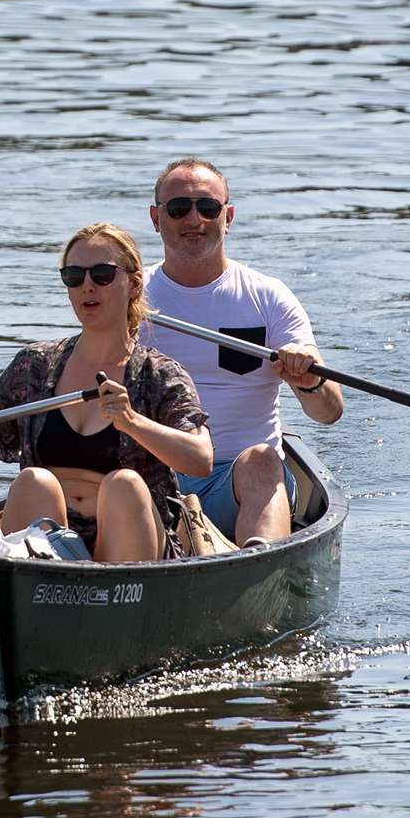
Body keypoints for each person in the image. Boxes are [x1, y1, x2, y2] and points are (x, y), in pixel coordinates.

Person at [0, 222, 212, 562]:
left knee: (124, 484)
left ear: (133, 284)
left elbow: (200, 459)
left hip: (129, 542)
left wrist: (132, 422)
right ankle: (38, 587)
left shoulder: (159, 374)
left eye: (101, 274)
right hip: (47, 545)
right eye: (74, 276)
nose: (87, 286)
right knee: (34, 482)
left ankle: (113, 592)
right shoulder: (35, 366)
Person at [140, 157, 343, 546]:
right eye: (179, 208)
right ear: (156, 218)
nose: (194, 219)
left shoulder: (268, 297)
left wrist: (309, 380)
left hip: (236, 483)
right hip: (150, 479)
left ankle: (256, 562)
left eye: (208, 207)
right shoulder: (131, 297)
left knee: (262, 460)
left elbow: (329, 412)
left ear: (227, 216)